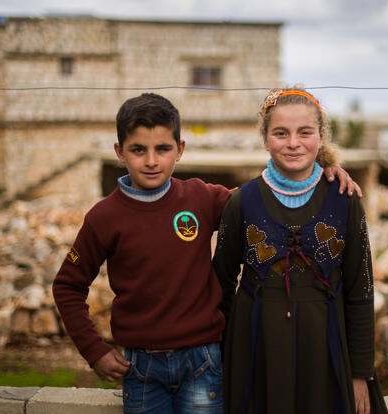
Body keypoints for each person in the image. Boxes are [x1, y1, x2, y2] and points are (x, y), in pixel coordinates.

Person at [52, 92, 362, 414]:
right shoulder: (104, 217)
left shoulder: (200, 198)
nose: (151, 161)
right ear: (120, 152)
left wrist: (326, 170)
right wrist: (94, 349)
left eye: (163, 149)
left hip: (203, 361)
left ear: (180, 150)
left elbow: (266, 197)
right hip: (141, 367)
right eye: (138, 150)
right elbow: (67, 286)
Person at [214, 87, 388, 414]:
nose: (293, 142)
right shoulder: (242, 202)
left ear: (321, 137)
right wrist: (219, 361)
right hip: (257, 349)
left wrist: (361, 373)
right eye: (281, 133)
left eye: (304, 132)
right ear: (266, 139)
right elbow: (220, 286)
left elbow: (360, 290)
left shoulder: (345, 200)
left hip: (326, 347)